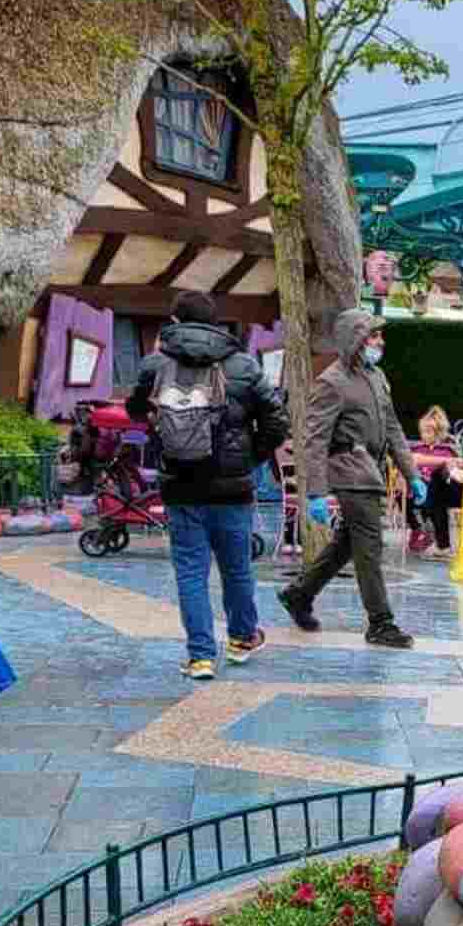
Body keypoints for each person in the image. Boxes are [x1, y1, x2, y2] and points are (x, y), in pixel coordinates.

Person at [125, 290, 287, 680]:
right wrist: (249, 458)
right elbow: (276, 421)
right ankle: (241, 639)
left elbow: (135, 409)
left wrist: (166, 434)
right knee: (237, 568)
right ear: (216, 323)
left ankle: (200, 657)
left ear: (175, 321)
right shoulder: (243, 365)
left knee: (190, 571)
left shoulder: (156, 365)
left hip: (180, 484)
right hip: (233, 488)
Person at [278, 308, 427, 648]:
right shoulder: (332, 382)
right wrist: (315, 491)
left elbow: (393, 429)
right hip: (350, 472)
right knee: (369, 546)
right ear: (355, 340)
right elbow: (315, 439)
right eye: (373, 336)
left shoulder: (376, 377)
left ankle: (299, 594)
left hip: (369, 470)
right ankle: (381, 623)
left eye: (379, 335)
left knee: (347, 544)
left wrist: (412, 474)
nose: (380, 341)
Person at [410, 405, 462, 555]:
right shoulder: (416, 448)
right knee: (404, 494)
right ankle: (418, 528)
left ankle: (428, 530)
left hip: (436, 488)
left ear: (438, 432)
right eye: (422, 432)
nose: (424, 435)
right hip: (416, 486)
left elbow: (451, 471)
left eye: (428, 432)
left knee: (434, 494)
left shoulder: (448, 450)